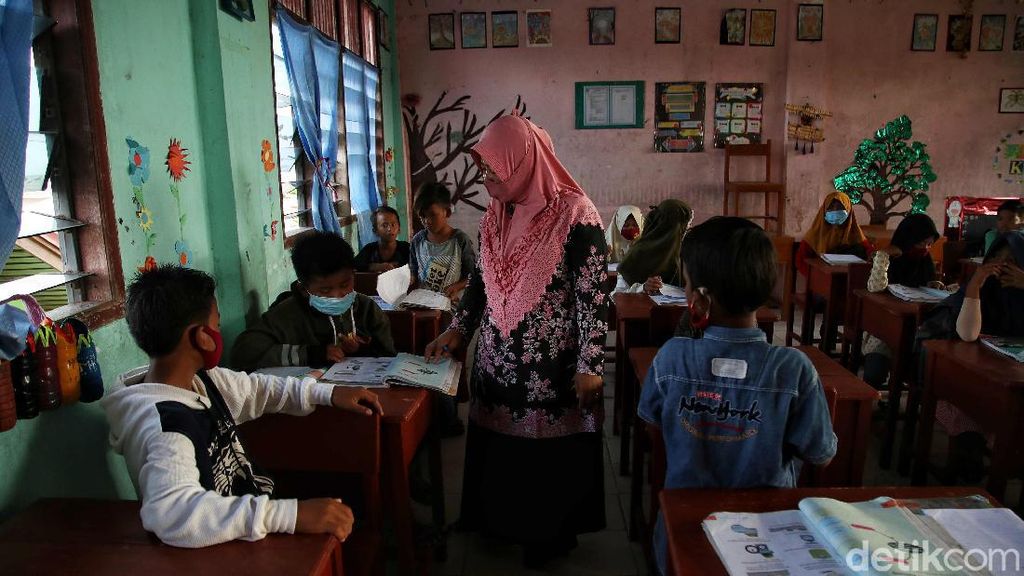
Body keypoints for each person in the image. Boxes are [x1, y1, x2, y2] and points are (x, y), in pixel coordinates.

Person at [424, 115, 609, 568]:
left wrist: (590, 364)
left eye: (491, 168)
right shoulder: (497, 213)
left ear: (523, 160)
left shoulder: (575, 215)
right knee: (500, 449)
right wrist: (458, 330)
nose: (485, 178)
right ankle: (499, 523)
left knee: (545, 459)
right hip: (498, 360)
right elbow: (481, 284)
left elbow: (593, 295)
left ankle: (547, 536)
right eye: (482, 169)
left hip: (553, 366)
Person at [101, 265, 382, 548]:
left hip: (248, 518)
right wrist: (290, 515)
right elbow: (174, 513)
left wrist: (329, 394)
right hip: (221, 548)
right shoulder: (167, 425)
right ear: (202, 337)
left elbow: (259, 388)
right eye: (218, 324)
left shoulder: (200, 381)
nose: (220, 330)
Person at [637, 217, 837, 576]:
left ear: (699, 298)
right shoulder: (793, 369)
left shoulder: (673, 357)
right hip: (768, 537)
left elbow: (652, 429)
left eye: (684, 283)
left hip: (683, 529)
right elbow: (819, 453)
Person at [920, 231, 1024, 482]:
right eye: (998, 260)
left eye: (1013, 262)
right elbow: (967, 334)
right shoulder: (976, 289)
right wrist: (975, 286)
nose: (1003, 268)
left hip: (1007, 377)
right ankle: (968, 474)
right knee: (969, 413)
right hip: (961, 374)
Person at [231, 231, 395, 372]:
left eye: (345, 284)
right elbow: (243, 354)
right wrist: (311, 354)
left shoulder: (367, 309)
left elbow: (387, 353)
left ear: (353, 275)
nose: (338, 295)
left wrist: (359, 349)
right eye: (325, 290)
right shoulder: (287, 314)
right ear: (304, 289)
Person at [862, 213, 942, 389]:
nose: (925, 248)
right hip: (884, 325)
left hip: (917, 328)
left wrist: (935, 286)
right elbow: (875, 288)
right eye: (920, 243)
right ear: (908, 238)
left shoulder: (925, 261)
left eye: (929, 244)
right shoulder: (889, 258)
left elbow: (925, 287)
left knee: (926, 369)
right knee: (875, 372)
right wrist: (883, 256)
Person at [408, 183, 477, 304]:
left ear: (447, 212)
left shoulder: (460, 240)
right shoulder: (417, 241)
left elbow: (472, 276)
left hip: (452, 306)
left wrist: (457, 286)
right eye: (422, 216)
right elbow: (413, 270)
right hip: (424, 306)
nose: (427, 221)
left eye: (433, 215)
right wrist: (408, 279)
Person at [617, 199, 694, 294]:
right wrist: (643, 288)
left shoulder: (686, 252)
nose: (687, 229)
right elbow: (618, 294)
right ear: (672, 229)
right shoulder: (639, 253)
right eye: (684, 226)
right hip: (644, 307)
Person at [796, 191, 873, 277]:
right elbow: (800, 261)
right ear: (824, 210)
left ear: (849, 210)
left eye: (840, 207)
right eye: (831, 207)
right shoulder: (815, 234)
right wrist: (817, 277)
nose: (835, 210)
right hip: (822, 280)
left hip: (850, 280)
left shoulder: (855, 234)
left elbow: (870, 256)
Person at [354, 206, 410, 272]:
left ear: (399, 228)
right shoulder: (369, 250)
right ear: (375, 230)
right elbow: (354, 265)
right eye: (385, 225)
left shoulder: (406, 249)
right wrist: (374, 266)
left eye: (393, 224)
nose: (390, 229)